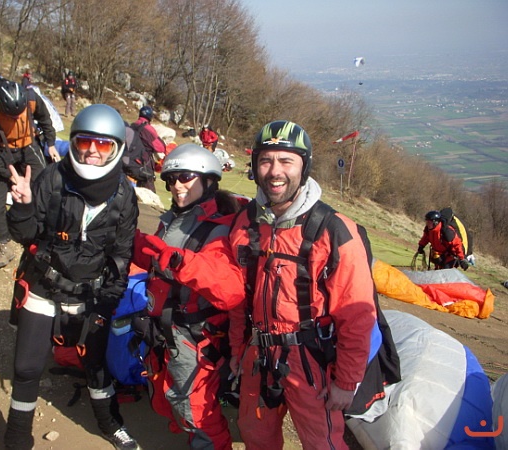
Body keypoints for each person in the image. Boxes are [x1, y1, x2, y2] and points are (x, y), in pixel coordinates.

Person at [227, 120, 392, 449]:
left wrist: (347, 381)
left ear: (305, 167)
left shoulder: (334, 230)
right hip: (257, 353)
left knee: (322, 444)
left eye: (286, 161)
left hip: (311, 360)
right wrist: (236, 351)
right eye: (266, 160)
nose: (275, 171)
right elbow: (238, 296)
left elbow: (357, 313)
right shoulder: (246, 222)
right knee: (255, 436)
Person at [4, 104, 140, 450]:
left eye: (103, 144)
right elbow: (26, 235)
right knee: (26, 368)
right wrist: (22, 206)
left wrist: (107, 305)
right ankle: (17, 438)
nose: (92, 151)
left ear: (117, 148)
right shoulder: (52, 178)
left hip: (90, 295)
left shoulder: (124, 195)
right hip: (43, 286)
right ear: (73, 142)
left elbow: (121, 256)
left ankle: (110, 424)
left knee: (95, 364)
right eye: (84, 142)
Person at [132, 144, 245, 449]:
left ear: (208, 181)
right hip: (166, 329)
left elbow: (230, 290)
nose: (176, 186)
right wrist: (126, 239)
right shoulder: (175, 219)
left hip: (192, 337)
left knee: (195, 410)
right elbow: (156, 257)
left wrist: (182, 261)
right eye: (171, 179)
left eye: (185, 177)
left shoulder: (220, 229)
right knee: (171, 396)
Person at [0, 79, 60, 269]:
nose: (16, 119)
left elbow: (46, 120)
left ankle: (43, 231)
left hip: (28, 147)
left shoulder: (32, 99)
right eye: (11, 116)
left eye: (19, 114)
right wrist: (9, 175)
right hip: (1, 153)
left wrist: (50, 143)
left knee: (45, 186)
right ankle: (3, 244)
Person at [130, 105, 166, 193]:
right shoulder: (148, 129)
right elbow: (161, 147)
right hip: (144, 166)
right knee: (150, 196)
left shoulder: (132, 126)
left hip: (128, 164)